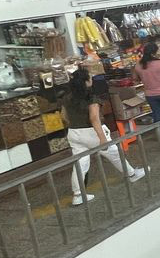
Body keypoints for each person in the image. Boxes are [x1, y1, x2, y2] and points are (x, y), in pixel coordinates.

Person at [62, 68, 145, 205]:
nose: (92, 80)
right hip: (92, 132)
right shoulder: (91, 97)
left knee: (80, 163)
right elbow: (94, 118)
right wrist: (102, 138)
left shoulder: (67, 98)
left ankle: (78, 195)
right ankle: (131, 174)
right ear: (86, 81)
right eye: (90, 78)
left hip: (74, 133)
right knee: (114, 153)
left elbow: (64, 116)